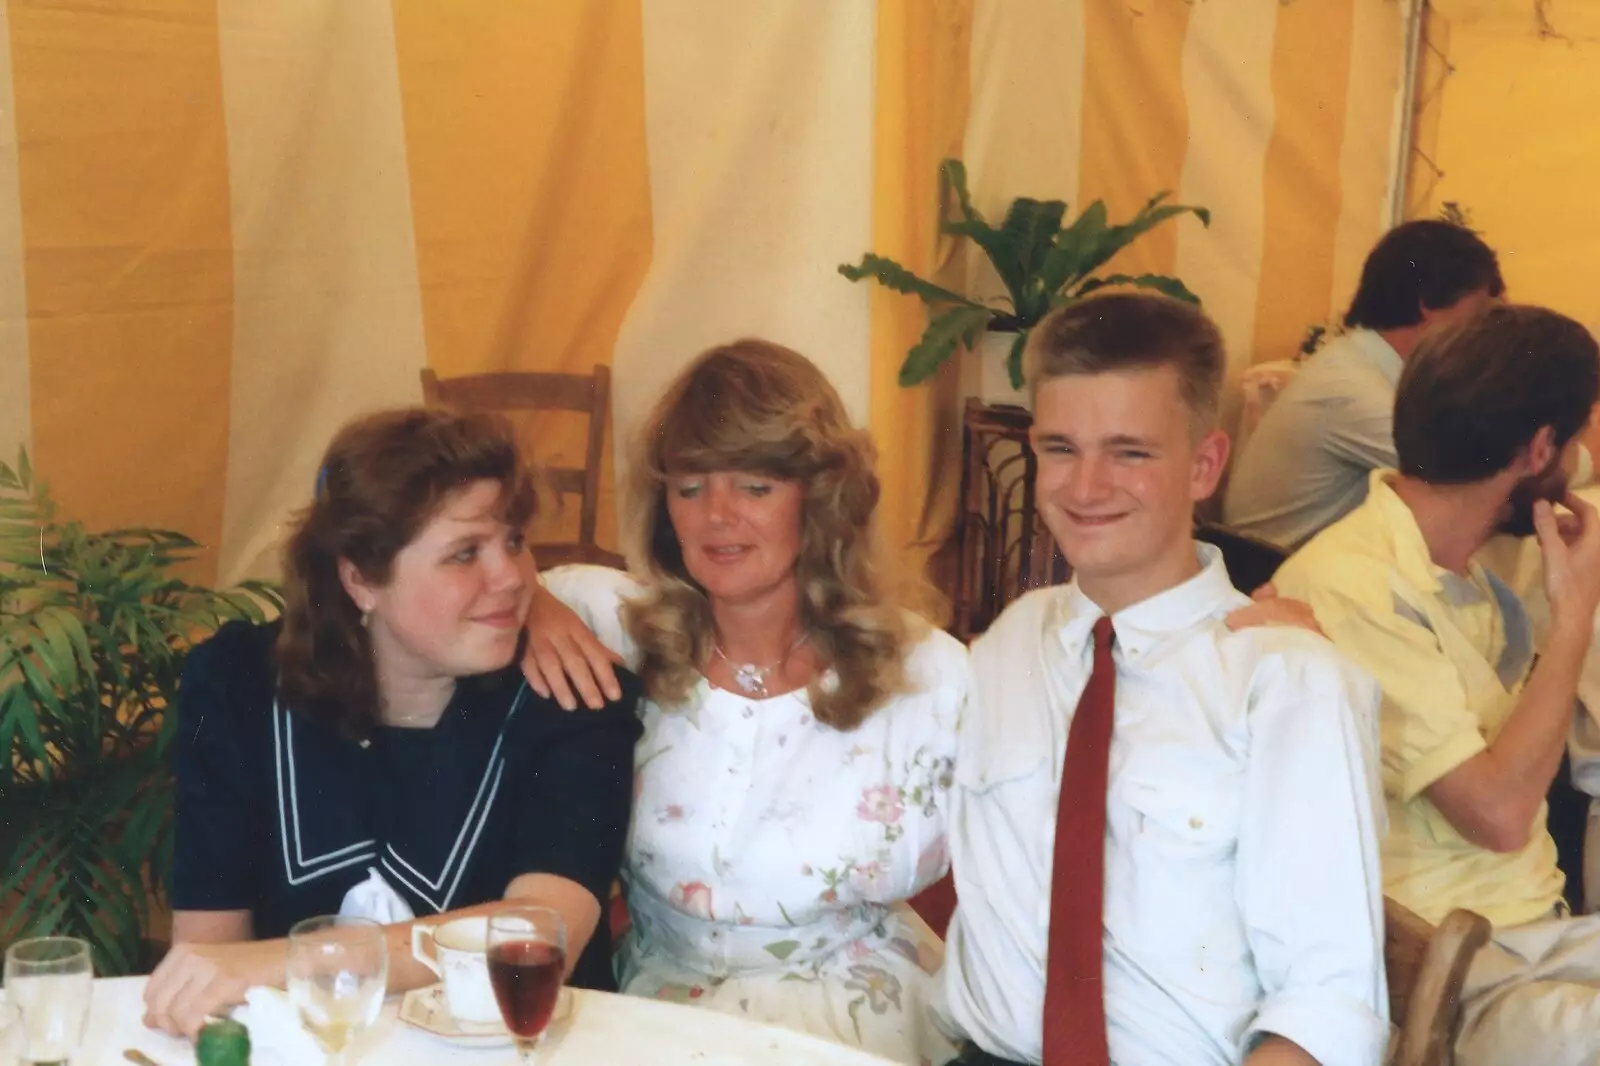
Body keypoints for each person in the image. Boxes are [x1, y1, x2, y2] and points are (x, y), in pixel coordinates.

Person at [940, 293, 1389, 1066]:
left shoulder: (1285, 684)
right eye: (1059, 448)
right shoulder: (1008, 646)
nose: (1085, 488)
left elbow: (1327, 1007)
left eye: (1130, 452)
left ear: (1206, 465)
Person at [517, 340, 967, 1064]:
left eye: (755, 487)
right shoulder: (614, 628)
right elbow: (489, 576)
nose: (716, 516)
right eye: (690, 487)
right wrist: (531, 603)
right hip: (658, 1011)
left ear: (820, 499)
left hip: (856, 1015)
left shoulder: (928, 676)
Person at [144, 408, 642, 1039]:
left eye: (514, 540)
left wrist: (286, 962)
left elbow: (541, 932)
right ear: (361, 579)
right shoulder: (238, 684)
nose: (515, 577)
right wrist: (235, 977)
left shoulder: (571, 693)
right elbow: (209, 955)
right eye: (465, 553)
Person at [1273, 304, 1600, 1066]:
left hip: (1529, 939)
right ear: (1541, 448)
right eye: (1578, 442)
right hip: (1446, 972)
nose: (1582, 465)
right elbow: (1500, 812)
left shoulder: (1461, 576)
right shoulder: (1358, 584)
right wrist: (1574, 619)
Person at [1224, 220, 1505, 549]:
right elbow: (1465, 480)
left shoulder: (1370, 366)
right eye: (1480, 309)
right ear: (1428, 305)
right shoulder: (1350, 387)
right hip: (1270, 574)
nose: (1484, 327)